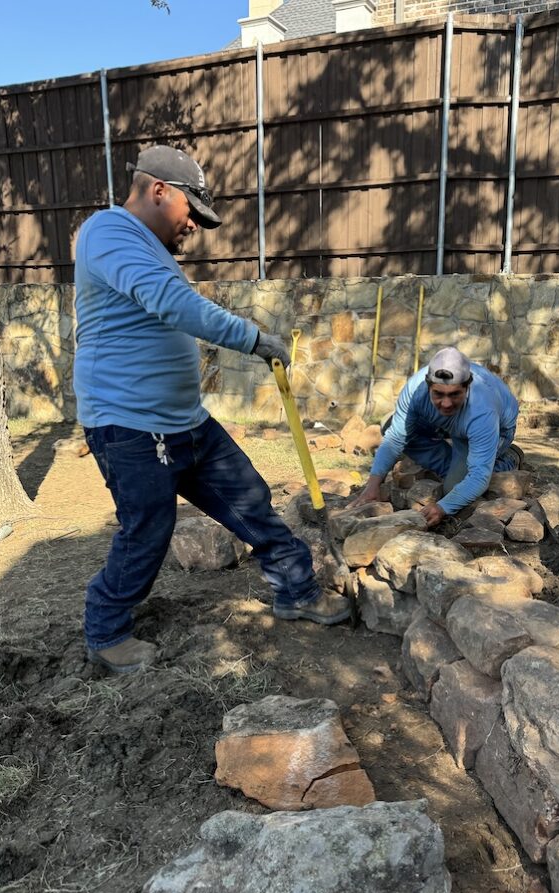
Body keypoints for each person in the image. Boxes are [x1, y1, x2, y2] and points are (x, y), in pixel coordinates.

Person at [74, 145, 349, 674]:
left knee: (251, 499)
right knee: (147, 531)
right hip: (130, 427)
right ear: (159, 190)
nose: (195, 226)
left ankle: (296, 590)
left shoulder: (149, 248)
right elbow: (173, 305)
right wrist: (252, 338)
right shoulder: (107, 233)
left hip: (185, 421)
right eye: (191, 212)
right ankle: (106, 633)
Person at [349, 347, 521, 528]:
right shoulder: (415, 388)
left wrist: (443, 507)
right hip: (452, 425)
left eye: (455, 394)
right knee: (389, 425)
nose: (446, 403)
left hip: (496, 429)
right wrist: (372, 487)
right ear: (428, 385)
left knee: (453, 489)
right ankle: (453, 463)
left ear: (467, 386)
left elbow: (479, 477)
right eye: (438, 394)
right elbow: (395, 438)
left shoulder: (482, 411)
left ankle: (508, 459)